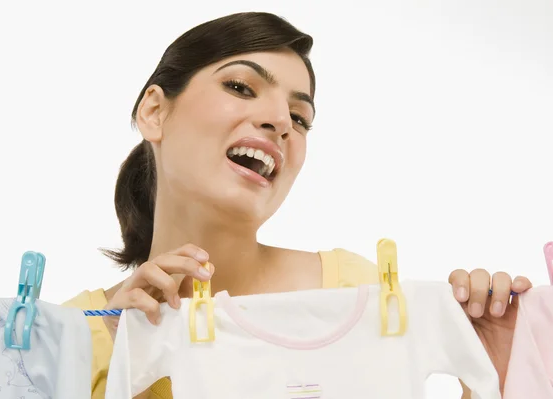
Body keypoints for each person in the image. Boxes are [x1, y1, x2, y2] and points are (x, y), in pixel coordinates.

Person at [62, 11, 533, 399]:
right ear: (154, 111)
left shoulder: (358, 293)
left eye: (300, 117)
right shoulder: (69, 340)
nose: (279, 122)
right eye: (241, 88)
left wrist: (493, 374)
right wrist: (119, 360)